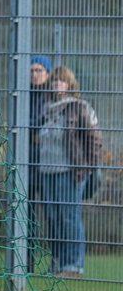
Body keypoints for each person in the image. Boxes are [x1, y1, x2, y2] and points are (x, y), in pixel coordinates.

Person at [33, 64, 103, 277]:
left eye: (61, 80)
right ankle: (57, 265)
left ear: (70, 84)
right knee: (53, 219)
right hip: (47, 171)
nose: (57, 83)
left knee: (69, 217)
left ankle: (73, 265)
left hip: (69, 172)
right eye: (54, 80)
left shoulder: (80, 107)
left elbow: (95, 140)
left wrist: (86, 166)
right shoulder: (47, 109)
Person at [27, 55, 52, 198]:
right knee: (27, 200)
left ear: (47, 73)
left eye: (38, 70)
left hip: (47, 153)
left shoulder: (52, 95)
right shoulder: (24, 94)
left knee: (48, 201)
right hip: (28, 154)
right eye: (32, 71)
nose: (34, 75)